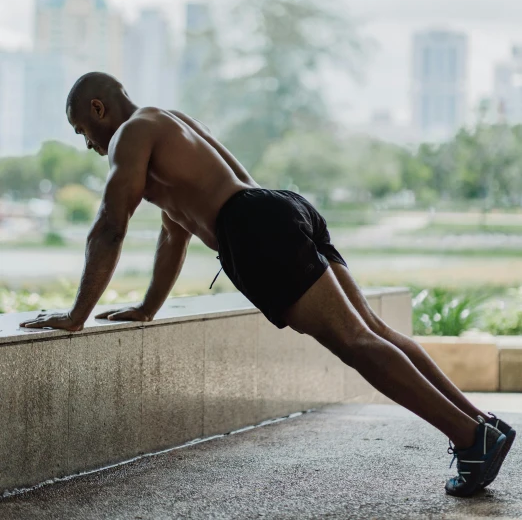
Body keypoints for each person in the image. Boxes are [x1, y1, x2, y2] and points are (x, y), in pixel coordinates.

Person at [21, 72, 515, 497]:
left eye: (82, 130)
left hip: (252, 227)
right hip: (281, 206)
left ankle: (470, 437)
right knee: (375, 331)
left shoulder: (130, 135)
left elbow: (110, 224)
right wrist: (148, 306)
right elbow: (176, 230)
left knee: (356, 343)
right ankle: (481, 426)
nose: (87, 144)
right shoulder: (167, 121)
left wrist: (75, 316)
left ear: (99, 108)